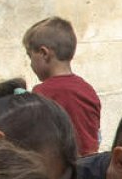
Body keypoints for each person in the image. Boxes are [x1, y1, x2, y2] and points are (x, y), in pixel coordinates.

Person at [24, 17, 101, 157]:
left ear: (44, 53)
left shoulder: (42, 93)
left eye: (30, 57)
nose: (30, 64)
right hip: (91, 165)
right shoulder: (86, 88)